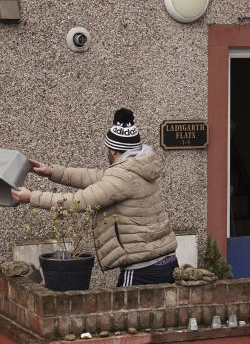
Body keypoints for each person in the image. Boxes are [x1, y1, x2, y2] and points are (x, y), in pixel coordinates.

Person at [11, 108, 178, 287]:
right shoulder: (137, 168)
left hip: (142, 269)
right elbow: (95, 177)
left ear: (114, 150)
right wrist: (52, 171)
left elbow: (81, 201)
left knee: (125, 313)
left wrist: (32, 197)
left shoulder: (123, 177)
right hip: (163, 261)